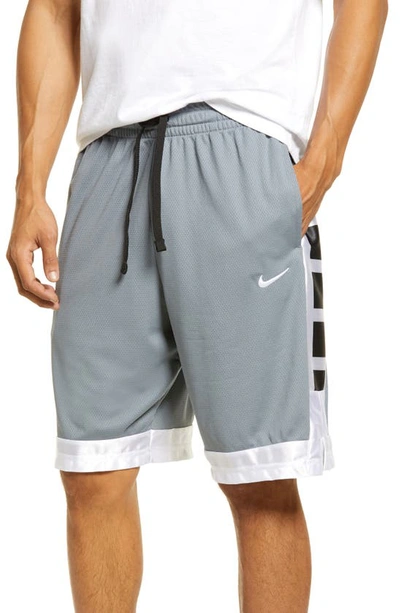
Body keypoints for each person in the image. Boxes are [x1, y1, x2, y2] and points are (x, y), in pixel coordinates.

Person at [6, 1, 387, 611]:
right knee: (91, 466)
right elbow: (53, 11)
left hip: (240, 149)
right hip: (108, 161)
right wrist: (30, 189)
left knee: (260, 472)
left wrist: (324, 159)